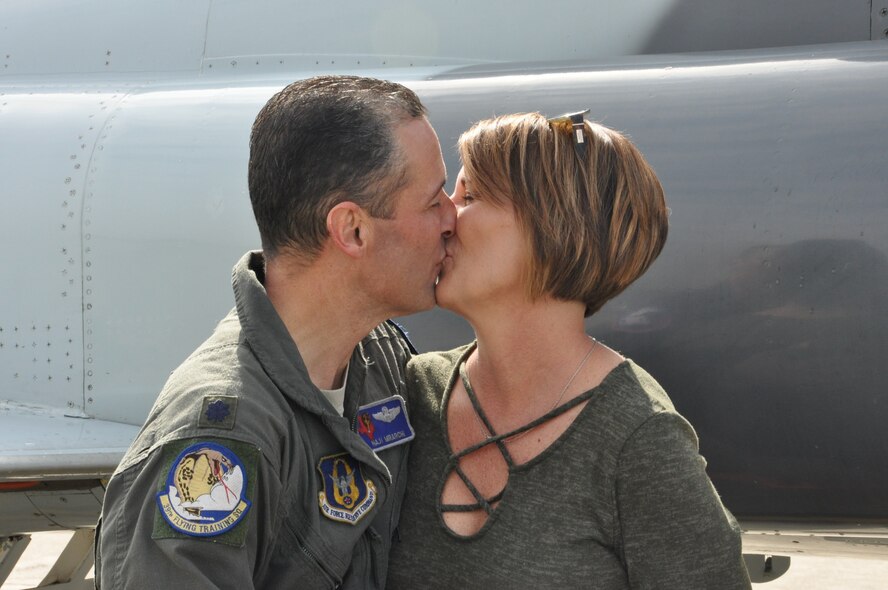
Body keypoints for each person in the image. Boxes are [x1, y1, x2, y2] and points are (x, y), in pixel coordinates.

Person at [95, 75, 455, 589]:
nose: (451, 218)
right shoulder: (219, 439)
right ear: (352, 229)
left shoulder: (379, 359)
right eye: (432, 200)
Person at [386, 112, 752, 588]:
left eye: (470, 195)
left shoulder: (638, 440)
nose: (446, 215)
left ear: (553, 223)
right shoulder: (409, 393)